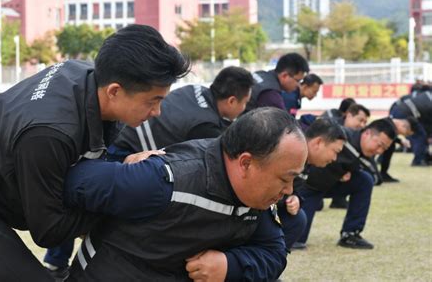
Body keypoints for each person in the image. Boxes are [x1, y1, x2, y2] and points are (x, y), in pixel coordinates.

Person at [0, 24, 190, 281]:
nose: (157, 112)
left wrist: (122, 166)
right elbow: (49, 231)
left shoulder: (85, 76)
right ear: (114, 90)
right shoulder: (50, 133)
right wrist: (124, 197)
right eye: (153, 101)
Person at [63, 108, 308, 281]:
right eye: (284, 179)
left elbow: (274, 253)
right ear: (245, 163)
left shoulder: (257, 199)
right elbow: (74, 180)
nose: (288, 190)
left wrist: (229, 266)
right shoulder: (163, 179)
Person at [296, 118, 397, 249]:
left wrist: (350, 170)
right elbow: (311, 122)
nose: (379, 151)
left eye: (384, 149)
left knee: (364, 180)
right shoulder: (341, 136)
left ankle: (350, 234)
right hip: (308, 186)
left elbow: (377, 178)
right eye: (379, 145)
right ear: (367, 133)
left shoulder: (365, 158)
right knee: (296, 239)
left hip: (330, 184)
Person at [113, 66, 254, 154]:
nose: (244, 108)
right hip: (125, 150)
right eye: (245, 103)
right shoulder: (206, 126)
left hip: (118, 130)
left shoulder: (195, 89)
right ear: (231, 101)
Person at [281, 117, 346, 251]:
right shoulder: (287, 152)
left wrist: (295, 198)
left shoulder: (306, 159)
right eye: (335, 152)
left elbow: (295, 187)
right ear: (319, 142)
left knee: (298, 219)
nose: (334, 159)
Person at [245, 53, 309, 112]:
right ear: (284, 76)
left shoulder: (261, 74)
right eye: (297, 81)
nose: (298, 85)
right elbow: (284, 123)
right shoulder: (271, 94)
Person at [389, 90, 432, 166]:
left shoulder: (427, 94)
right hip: (404, 114)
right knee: (420, 136)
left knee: (390, 134)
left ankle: (424, 157)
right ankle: (418, 161)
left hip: (400, 110)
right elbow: (428, 123)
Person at [378, 117, 419, 183]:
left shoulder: (390, 125)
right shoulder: (386, 125)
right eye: (406, 133)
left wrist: (400, 141)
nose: (404, 135)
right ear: (403, 126)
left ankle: (383, 173)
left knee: (391, 145)